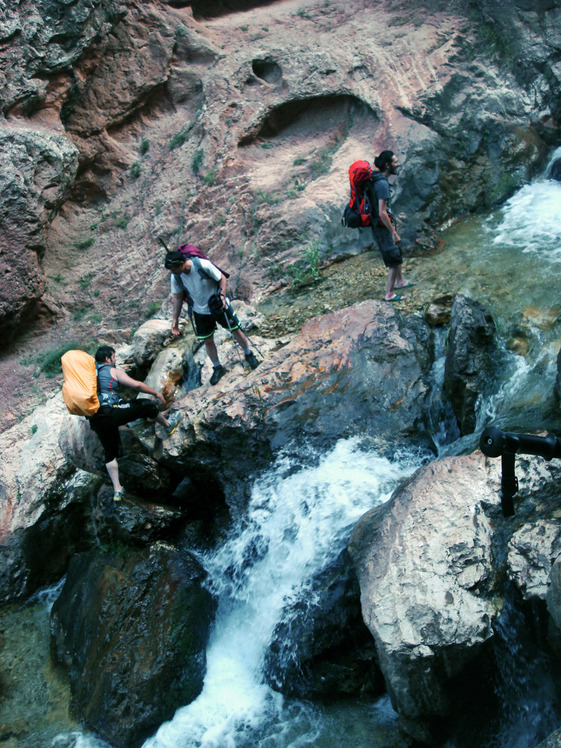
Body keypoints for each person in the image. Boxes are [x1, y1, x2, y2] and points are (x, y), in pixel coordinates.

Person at [88, 345, 182, 501]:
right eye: (114, 357)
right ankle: (168, 426)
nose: (115, 359)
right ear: (107, 358)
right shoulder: (112, 371)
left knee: (110, 452)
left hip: (97, 419)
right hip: (112, 412)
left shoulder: (90, 376)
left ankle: (117, 489)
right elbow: (137, 385)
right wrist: (156, 393)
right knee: (145, 404)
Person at [165, 250, 259, 385]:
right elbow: (178, 297)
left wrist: (222, 296)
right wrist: (175, 321)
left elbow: (222, 278)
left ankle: (248, 354)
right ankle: (217, 367)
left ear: (181, 263)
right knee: (208, 340)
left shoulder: (202, 265)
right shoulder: (177, 276)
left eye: (173, 269)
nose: (172, 272)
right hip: (200, 311)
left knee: (235, 330)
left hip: (217, 304)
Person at [367, 150, 413, 302]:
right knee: (393, 257)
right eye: (394, 162)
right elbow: (381, 212)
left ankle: (400, 282)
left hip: (383, 224)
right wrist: (393, 232)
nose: (398, 164)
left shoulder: (378, 179)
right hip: (382, 227)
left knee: (396, 251)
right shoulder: (381, 184)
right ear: (387, 165)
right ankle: (390, 294)